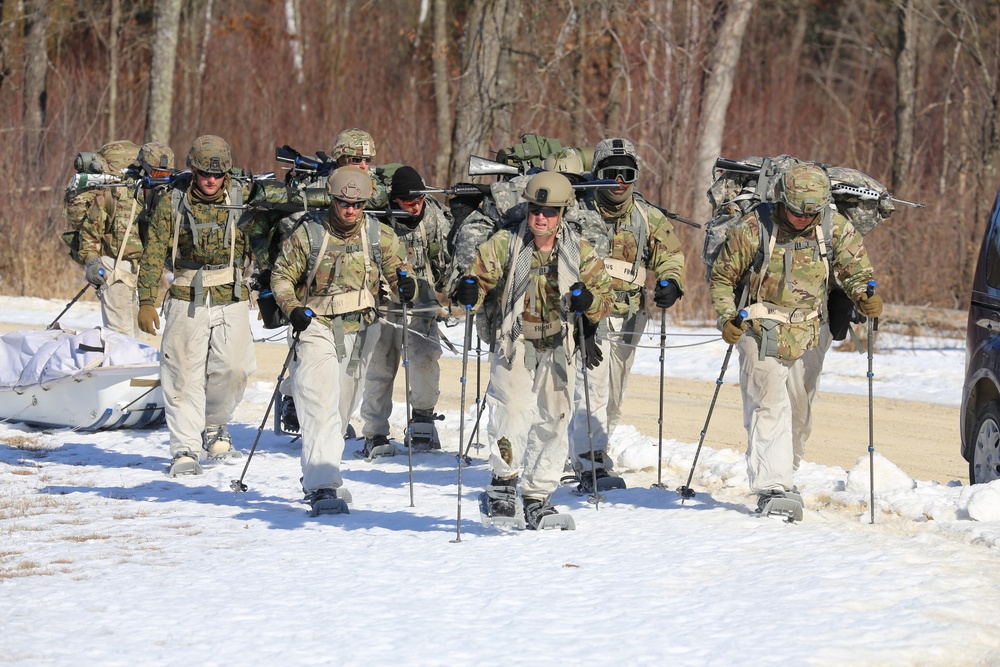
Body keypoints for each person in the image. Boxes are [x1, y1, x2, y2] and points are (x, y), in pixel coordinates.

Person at [708, 161, 882, 513]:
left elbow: (856, 271)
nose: (804, 219)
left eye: (811, 213)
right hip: (759, 329)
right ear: (782, 200)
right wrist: (727, 317)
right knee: (768, 405)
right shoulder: (755, 227)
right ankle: (772, 487)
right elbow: (723, 277)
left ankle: (787, 471)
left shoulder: (834, 228)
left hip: (810, 330)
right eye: (796, 212)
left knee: (800, 413)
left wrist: (864, 293)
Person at [454, 171, 612, 529]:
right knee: (511, 410)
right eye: (535, 209)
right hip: (516, 339)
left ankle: (538, 495)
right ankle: (503, 483)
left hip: (559, 342)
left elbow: (605, 301)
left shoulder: (579, 251)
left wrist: (589, 302)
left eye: (550, 211)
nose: (541, 217)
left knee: (554, 419)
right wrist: (469, 291)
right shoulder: (506, 243)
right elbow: (477, 278)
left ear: (563, 214)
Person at [269, 166, 413, 512]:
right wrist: (292, 309)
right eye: (343, 203)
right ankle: (323, 485)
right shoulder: (309, 234)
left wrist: (407, 286)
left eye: (357, 204)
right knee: (320, 407)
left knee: (340, 410)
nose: (349, 210)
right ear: (333, 200)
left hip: (362, 328)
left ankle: (319, 472)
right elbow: (281, 276)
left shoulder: (380, 236)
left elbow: (401, 272)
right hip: (317, 324)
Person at [136, 135, 257, 477]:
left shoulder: (242, 198)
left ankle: (215, 424)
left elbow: (261, 242)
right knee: (183, 374)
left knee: (235, 368)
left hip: (230, 292)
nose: (211, 180)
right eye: (204, 172)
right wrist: (146, 299)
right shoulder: (171, 201)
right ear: (193, 169)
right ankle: (184, 447)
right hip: (186, 292)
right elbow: (154, 252)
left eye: (218, 175)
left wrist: (265, 290)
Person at [570, 137, 686, 491]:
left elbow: (670, 253)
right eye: (610, 173)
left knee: (615, 390)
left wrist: (671, 280)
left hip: (629, 313)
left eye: (627, 174)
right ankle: (588, 462)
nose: (618, 181)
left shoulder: (646, 216)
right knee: (591, 385)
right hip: (588, 314)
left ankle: (598, 449)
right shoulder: (577, 211)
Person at [359, 166, 452, 456]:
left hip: (422, 300)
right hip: (384, 302)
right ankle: (374, 432)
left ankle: (423, 419)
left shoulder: (433, 216)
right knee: (380, 367)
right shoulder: (376, 221)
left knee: (426, 360)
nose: (415, 206)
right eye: (409, 202)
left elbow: (444, 258)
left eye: (420, 200)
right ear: (395, 200)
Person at [67, 140, 144, 336]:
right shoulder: (109, 196)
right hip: (114, 267)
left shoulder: (145, 194)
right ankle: (123, 366)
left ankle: (138, 366)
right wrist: (92, 261)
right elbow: (90, 231)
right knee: (121, 335)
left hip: (140, 270)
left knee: (139, 334)